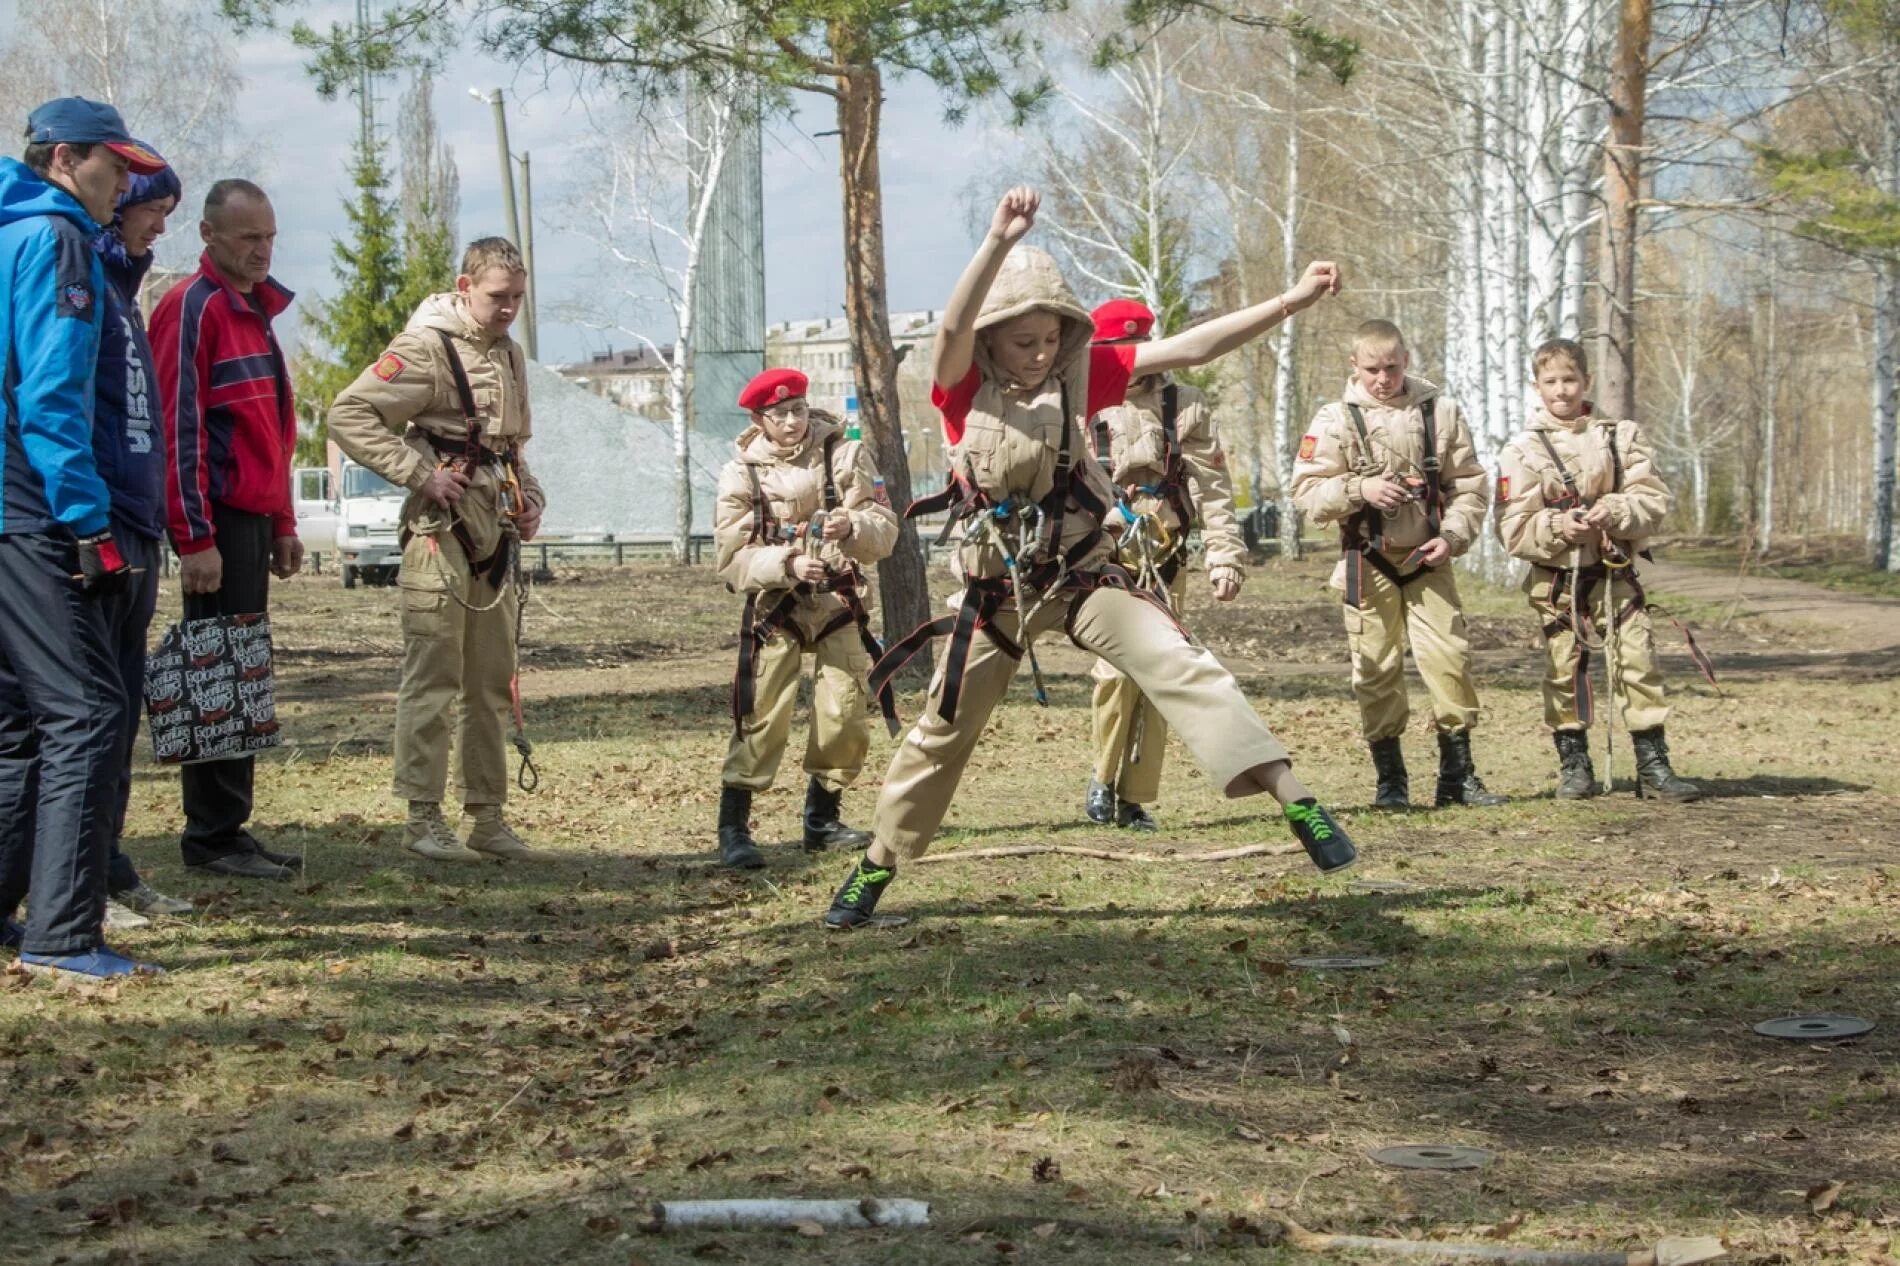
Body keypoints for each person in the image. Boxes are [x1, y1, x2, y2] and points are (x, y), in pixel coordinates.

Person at [823, 186, 1356, 931]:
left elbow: (1193, 346)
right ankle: (875, 867)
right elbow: (950, 322)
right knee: (940, 732)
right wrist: (997, 240)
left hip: (1080, 577)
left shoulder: (1084, 371)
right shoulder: (960, 386)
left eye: (1050, 338)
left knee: (1178, 660)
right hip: (996, 595)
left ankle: (1298, 802)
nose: (1040, 354)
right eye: (1023, 342)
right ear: (992, 339)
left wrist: (1290, 303)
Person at [0, 98, 166, 977]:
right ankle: (63, 934)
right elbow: (52, 395)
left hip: (5, 513)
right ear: (65, 159)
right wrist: (89, 520)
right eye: (115, 166)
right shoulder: (58, 241)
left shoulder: (8, 234)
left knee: (18, 722)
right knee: (88, 709)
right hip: (34, 510)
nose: (126, 183)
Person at [327, 237, 549, 862]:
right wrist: (418, 473)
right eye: (497, 297)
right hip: (440, 532)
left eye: (517, 299)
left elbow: (512, 447)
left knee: (490, 682)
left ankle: (487, 817)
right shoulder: (425, 347)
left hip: (495, 530)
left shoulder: (509, 354)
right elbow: (350, 414)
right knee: (434, 675)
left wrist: (530, 498)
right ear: (464, 286)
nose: (508, 309)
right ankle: (423, 819)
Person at [1289, 320, 1508, 811]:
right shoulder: (1334, 420)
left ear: (1406, 360)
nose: (1383, 378)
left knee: (1450, 659)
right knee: (1377, 668)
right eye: (1372, 369)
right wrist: (1357, 489)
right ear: (1354, 366)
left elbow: (1470, 485)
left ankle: (1458, 774)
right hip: (1366, 560)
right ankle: (1391, 780)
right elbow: (1306, 493)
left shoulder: (1439, 412)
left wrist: (1452, 537)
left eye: (1391, 367)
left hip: (1429, 558)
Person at [151, 178, 304, 880]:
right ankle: (210, 837)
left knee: (240, 671)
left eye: (269, 235)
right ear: (209, 236)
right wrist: (194, 536)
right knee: (212, 670)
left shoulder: (253, 310)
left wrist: (282, 519)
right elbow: (176, 429)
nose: (262, 249)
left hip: (250, 518)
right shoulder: (193, 306)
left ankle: (230, 828)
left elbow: (271, 428)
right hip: (213, 522)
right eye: (248, 237)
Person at [1495, 338, 1700, 801]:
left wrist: (1615, 510)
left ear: (1586, 381)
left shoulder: (1620, 436)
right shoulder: (1523, 450)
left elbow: (1653, 500)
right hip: (1557, 580)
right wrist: (1557, 524)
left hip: (1614, 571)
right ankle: (1574, 765)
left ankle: (1653, 764)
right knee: (1564, 668)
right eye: (1551, 382)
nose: (1562, 391)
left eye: (1570, 380)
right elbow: (1512, 528)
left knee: (1638, 660)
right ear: (1536, 387)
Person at [710, 368, 899, 868]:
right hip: (777, 606)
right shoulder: (740, 473)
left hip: (840, 602)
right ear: (759, 420)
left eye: (797, 410)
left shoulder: (846, 453)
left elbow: (885, 530)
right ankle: (735, 829)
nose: (791, 422)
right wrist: (787, 564)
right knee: (762, 716)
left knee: (843, 713)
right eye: (779, 415)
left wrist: (852, 525)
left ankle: (822, 821)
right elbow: (731, 558)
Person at [1082, 299, 1249, 832]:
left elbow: (1215, 490)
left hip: (1166, 555)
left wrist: (1225, 556)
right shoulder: (1079, 407)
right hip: (1104, 557)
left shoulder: (1186, 406)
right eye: (1117, 351)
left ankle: (1135, 796)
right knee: (1114, 672)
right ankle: (1102, 780)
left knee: (1161, 674)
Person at [89, 148, 196, 926]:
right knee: (86, 716)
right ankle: (77, 881)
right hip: (94, 525)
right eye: (152, 206)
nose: (161, 223)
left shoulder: (125, 289)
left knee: (121, 712)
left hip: (136, 524)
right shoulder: (83, 279)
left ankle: (112, 864)